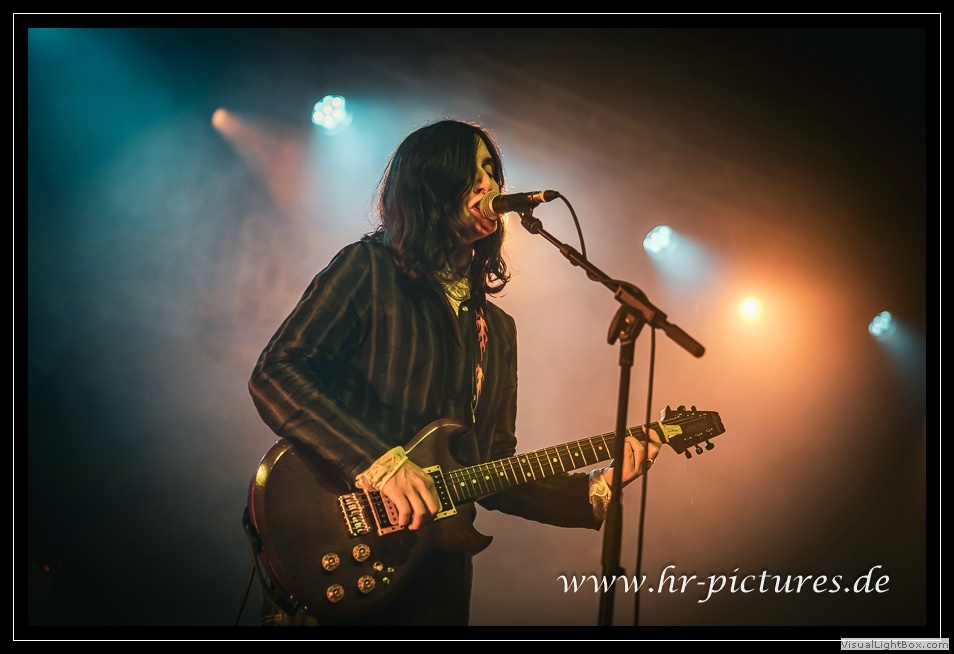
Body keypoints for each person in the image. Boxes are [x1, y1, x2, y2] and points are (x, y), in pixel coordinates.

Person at [247, 119, 662, 626]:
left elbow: (492, 469)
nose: (490, 185)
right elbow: (276, 372)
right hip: (338, 547)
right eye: (471, 172)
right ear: (430, 183)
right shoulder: (369, 269)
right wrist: (379, 462)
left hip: (436, 579)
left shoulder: (498, 331)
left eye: (492, 171)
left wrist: (597, 486)